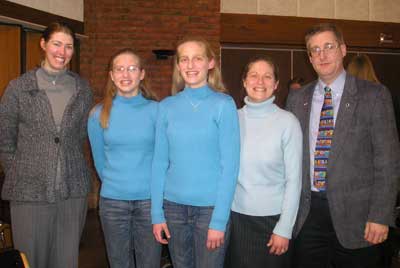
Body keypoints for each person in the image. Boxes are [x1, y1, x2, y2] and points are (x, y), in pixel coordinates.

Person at [286, 23, 400, 268]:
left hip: (358, 219)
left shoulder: (374, 95)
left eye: (328, 46)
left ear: (343, 49)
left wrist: (380, 215)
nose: (322, 55)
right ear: (309, 57)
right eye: (314, 50)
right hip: (307, 217)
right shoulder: (297, 99)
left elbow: (388, 161)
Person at [0, 22, 93, 268]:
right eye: (57, 44)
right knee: (30, 260)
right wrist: (19, 171)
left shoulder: (82, 89)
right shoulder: (19, 88)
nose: (62, 52)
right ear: (43, 44)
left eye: (69, 46)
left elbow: (83, 135)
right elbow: (4, 137)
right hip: (29, 193)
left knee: (66, 260)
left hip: (72, 192)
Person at [151, 36, 240, 268]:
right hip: (173, 208)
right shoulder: (166, 107)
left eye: (197, 58)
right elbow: (159, 163)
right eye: (184, 59)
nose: (190, 65)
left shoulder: (224, 104)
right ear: (178, 66)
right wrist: (156, 214)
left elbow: (229, 167)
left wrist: (219, 220)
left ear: (210, 63)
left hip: (210, 211)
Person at [225, 56, 302, 268]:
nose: (260, 82)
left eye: (267, 77)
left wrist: (284, 228)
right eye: (254, 75)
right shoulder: (231, 119)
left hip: (273, 222)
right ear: (244, 81)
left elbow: (294, 181)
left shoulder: (288, 122)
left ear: (276, 84)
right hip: (236, 218)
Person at [88, 48, 161, 268]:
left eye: (131, 69)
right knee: (119, 263)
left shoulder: (157, 111)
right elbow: (99, 162)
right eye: (119, 69)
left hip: (150, 202)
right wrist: (119, 184)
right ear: (111, 75)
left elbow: (162, 158)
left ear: (142, 74)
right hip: (113, 203)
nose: (125, 75)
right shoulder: (98, 114)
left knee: (149, 263)